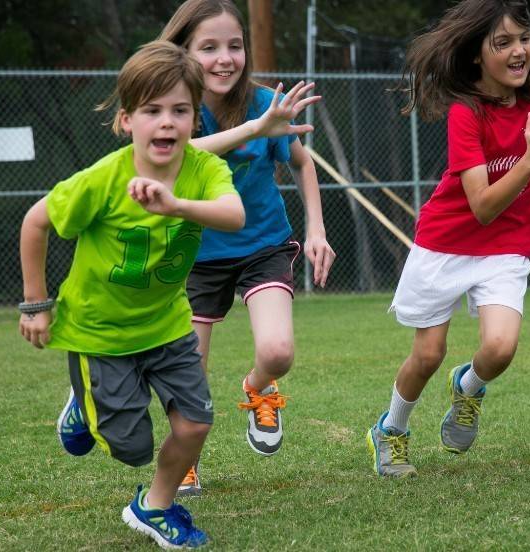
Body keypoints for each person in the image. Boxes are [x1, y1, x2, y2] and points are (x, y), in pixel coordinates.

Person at [18, 41, 244, 548]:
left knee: (196, 424)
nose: (167, 122)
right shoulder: (103, 180)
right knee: (132, 447)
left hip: (168, 326)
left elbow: (234, 215)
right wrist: (36, 305)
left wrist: (176, 205)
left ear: (194, 120)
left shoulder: (203, 172)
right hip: (101, 334)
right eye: (153, 111)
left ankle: (155, 507)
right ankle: (83, 401)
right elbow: (36, 222)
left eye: (180, 111)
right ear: (126, 120)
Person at [366, 0, 530, 478]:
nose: (520, 52)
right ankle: (391, 429)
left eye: (524, 39)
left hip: (507, 245)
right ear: (477, 54)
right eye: (504, 43)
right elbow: (483, 205)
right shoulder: (465, 113)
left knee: (500, 348)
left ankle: (468, 386)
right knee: (427, 354)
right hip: (446, 241)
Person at [158, 0, 336, 495]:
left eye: (234, 46)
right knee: (188, 375)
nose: (224, 59)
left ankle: (258, 387)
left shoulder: (263, 104)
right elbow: (181, 155)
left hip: (263, 244)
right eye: (208, 47)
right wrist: (256, 130)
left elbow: (301, 163)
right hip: (195, 253)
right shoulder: (175, 113)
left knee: (278, 352)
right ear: (182, 54)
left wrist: (316, 230)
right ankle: (185, 455)